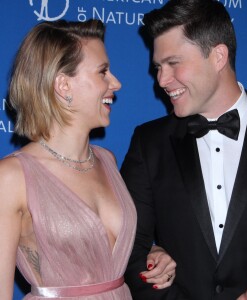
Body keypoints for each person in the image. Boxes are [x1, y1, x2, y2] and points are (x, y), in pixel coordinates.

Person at [121, 0, 247, 299]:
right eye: (158, 67)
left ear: (218, 56)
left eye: (174, 63)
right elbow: (128, 248)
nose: (162, 81)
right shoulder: (148, 143)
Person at [0, 19, 176, 300]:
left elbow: (103, 257)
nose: (116, 83)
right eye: (103, 72)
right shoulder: (11, 177)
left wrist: (153, 253)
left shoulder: (106, 160)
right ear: (63, 85)